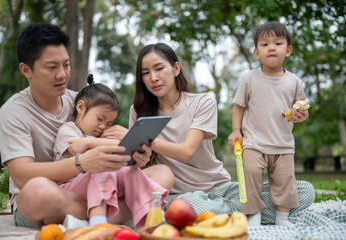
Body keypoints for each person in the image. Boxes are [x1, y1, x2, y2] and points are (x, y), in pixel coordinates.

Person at [103, 42, 315, 226]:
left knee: (303, 190)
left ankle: (228, 213)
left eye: (159, 68)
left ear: (176, 68)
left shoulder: (202, 102)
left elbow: (186, 151)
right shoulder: (138, 112)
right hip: (179, 195)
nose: (153, 78)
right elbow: (145, 166)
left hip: (220, 187)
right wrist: (141, 156)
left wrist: (143, 137)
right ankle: (236, 214)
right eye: (145, 73)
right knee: (195, 206)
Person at [0, 22, 174, 229]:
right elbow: (21, 176)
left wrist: (133, 158)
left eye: (66, 64)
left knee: (163, 174)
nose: (62, 74)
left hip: (95, 186)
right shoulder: (14, 112)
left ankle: (86, 221)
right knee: (39, 190)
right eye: (52, 67)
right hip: (51, 196)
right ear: (26, 70)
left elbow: (106, 157)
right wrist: (82, 163)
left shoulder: (83, 101)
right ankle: (118, 214)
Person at [53, 73, 169, 228]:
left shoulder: (100, 137)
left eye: (108, 123)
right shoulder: (68, 130)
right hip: (70, 188)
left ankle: (149, 217)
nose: (102, 127)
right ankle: (97, 223)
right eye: (100, 119)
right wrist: (97, 142)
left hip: (99, 186)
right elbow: (79, 150)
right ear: (81, 107)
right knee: (101, 164)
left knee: (131, 172)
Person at [227, 21, 310, 227]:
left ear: (288, 50)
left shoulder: (294, 81)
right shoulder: (250, 78)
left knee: (285, 181)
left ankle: (282, 217)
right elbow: (239, 107)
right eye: (264, 45)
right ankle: (253, 213)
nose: (271, 47)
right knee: (251, 175)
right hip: (254, 142)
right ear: (256, 53)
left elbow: (301, 108)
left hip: (283, 143)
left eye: (277, 43)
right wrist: (236, 131)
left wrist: (302, 115)